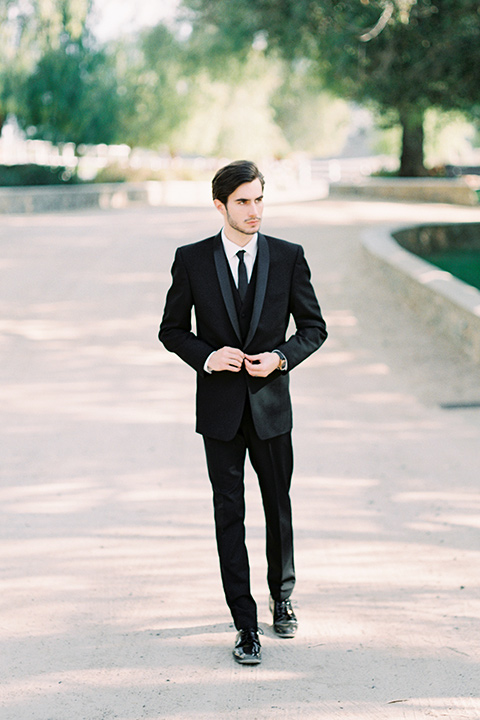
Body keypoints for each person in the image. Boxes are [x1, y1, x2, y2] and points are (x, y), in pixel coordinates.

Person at [159, 160, 327, 665]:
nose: (254, 211)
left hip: (272, 409)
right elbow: (171, 330)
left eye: (259, 199)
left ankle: (283, 597)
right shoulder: (190, 260)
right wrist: (208, 357)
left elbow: (314, 328)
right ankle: (243, 622)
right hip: (220, 413)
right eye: (242, 202)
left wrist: (279, 359)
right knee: (228, 513)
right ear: (220, 206)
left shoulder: (289, 256)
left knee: (278, 506)